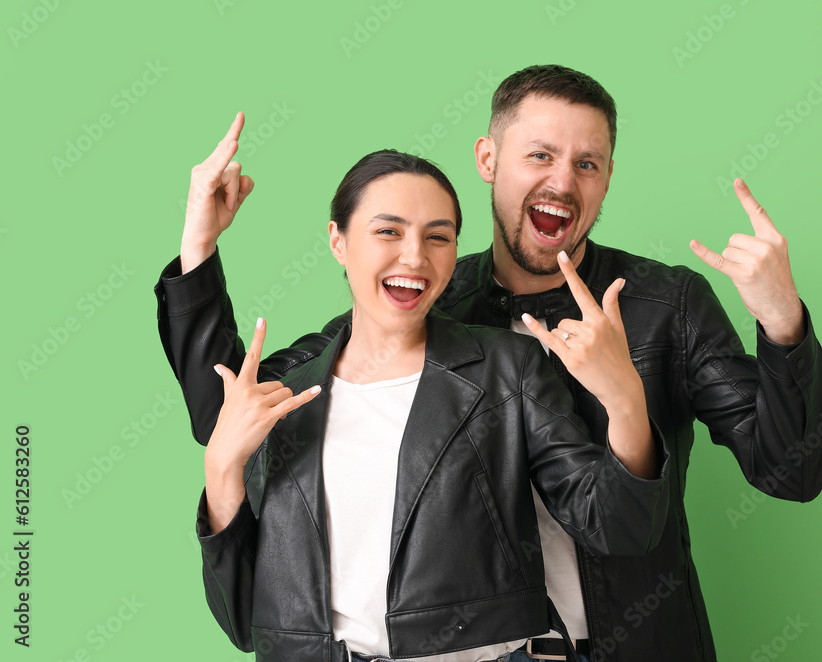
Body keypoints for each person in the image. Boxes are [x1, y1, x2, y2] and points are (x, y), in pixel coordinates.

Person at [155, 65, 822, 661]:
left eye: (587, 163)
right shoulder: (424, 300)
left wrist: (780, 320)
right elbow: (233, 407)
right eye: (539, 154)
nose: (562, 181)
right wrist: (198, 249)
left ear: (607, 179)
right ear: (488, 159)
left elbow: (792, 469)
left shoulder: (668, 304)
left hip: (634, 640)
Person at [177, 131, 671, 662]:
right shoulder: (291, 384)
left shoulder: (509, 369)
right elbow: (247, 622)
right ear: (338, 241)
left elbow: (616, 528)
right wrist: (220, 470)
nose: (414, 257)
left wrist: (625, 401)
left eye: (439, 237)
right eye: (388, 231)